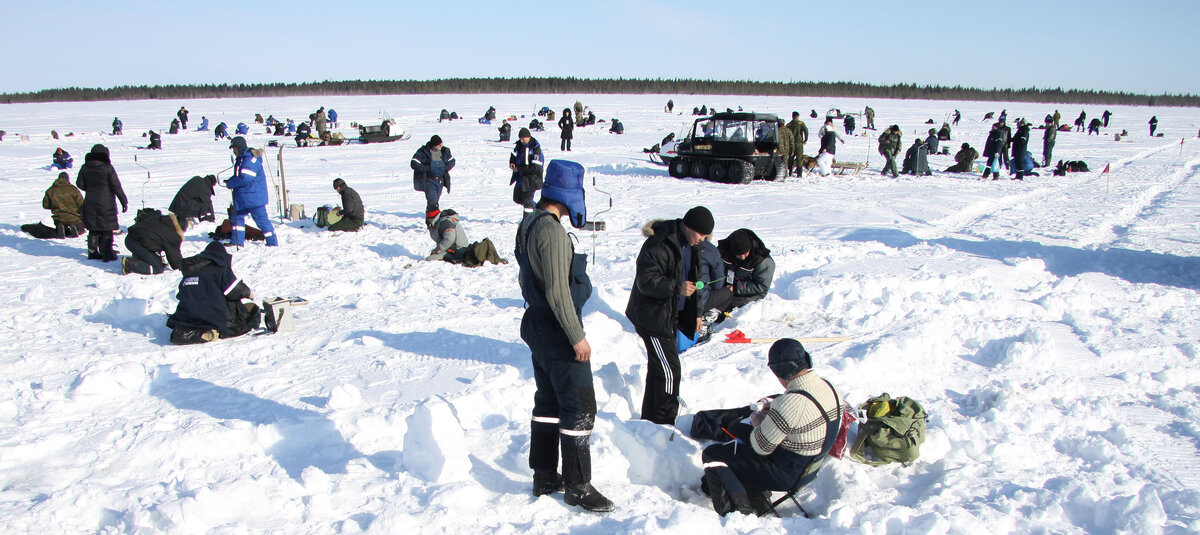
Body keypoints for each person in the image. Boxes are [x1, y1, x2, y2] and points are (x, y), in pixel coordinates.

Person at [515, 159, 614, 513]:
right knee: (580, 407)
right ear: (571, 193)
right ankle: (578, 486)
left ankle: (544, 475)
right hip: (557, 328)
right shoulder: (552, 232)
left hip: (537, 323)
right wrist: (576, 336)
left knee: (549, 403)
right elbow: (558, 290)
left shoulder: (528, 222)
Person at [698, 338, 841, 516]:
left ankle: (736, 511)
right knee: (740, 435)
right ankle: (751, 492)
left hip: (787, 475)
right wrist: (774, 414)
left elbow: (761, 447)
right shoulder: (829, 386)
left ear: (780, 371)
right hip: (810, 468)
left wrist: (758, 422)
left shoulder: (791, 403)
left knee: (713, 453)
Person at [626, 205, 715, 426]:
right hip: (652, 317)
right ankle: (665, 422)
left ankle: (649, 422)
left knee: (660, 369)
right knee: (670, 371)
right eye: (701, 234)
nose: (703, 239)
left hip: (670, 316)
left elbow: (693, 282)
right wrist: (676, 287)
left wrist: (694, 313)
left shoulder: (693, 246)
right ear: (688, 226)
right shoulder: (658, 245)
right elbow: (646, 281)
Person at [165, 241, 260, 344]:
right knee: (253, 309)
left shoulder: (188, 274)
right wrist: (248, 292)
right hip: (218, 320)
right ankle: (214, 330)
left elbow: (182, 295)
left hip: (189, 318)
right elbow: (234, 290)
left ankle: (199, 333)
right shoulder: (220, 270)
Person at [704, 228, 774, 316]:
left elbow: (761, 286)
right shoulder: (723, 251)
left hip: (748, 294)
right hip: (727, 287)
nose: (743, 257)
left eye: (746, 253)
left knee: (726, 308)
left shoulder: (763, 261)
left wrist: (736, 287)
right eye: (739, 254)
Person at [223, 136, 278, 246]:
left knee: (261, 221)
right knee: (236, 218)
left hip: (254, 198)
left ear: (239, 147)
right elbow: (241, 176)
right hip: (244, 197)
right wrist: (231, 180)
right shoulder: (242, 158)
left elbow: (246, 178)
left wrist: (232, 183)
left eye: (234, 148)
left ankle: (272, 242)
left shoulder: (251, 160)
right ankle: (237, 241)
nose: (233, 150)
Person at [76, 144, 127, 261]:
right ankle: (107, 253)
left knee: (93, 228)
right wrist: (123, 200)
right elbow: (116, 186)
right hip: (106, 202)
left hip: (90, 202)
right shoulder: (108, 168)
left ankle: (92, 252)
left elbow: (79, 184)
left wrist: (91, 189)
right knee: (107, 227)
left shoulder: (85, 167)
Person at [121, 208, 184, 275]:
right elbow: (174, 258)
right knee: (157, 268)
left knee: (159, 262)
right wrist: (182, 267)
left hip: (133, 238)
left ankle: (138, 259)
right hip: (135, 243)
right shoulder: (172, 235)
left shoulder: (162, 218)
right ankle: (129, 264)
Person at [411, 135, 455, 213]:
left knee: (436, 201)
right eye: (439, 145)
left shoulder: (444, 151)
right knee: (432, 202)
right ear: (434, 145)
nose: (441, 146)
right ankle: (430, 221)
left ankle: (433, 218)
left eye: (441, 144)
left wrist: (446, 167)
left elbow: (452, 161)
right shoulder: (424, 151)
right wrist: (425, 168)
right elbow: (414, 163)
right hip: (429, 181)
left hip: (440, 181)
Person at [510, 127, 544, 214]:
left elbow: (536, 168)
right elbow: (513, 155)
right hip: (521, 177)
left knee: (527, 201)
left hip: (532, 178)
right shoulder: (519, 146)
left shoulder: (535, 149)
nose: (521, 141)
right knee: (517, 198)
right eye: (520, 139)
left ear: (528, 137)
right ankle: (539, 210)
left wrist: (519, 168)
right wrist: (512, 163)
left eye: (523, 139)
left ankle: (527, 220)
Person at [42, 171, 85, 238]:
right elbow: (81, 203)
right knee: (82, 228)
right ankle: (74, 227)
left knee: (60, 222)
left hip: (58, 217)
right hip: (73, 217)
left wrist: (54, 206)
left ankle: (61, 226)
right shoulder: (73, 189)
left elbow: (45, 205)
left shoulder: (51, 190)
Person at [785, 112, 809, 177]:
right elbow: (806, 130)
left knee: (790, 158)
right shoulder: (801, 123)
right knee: (799, 158)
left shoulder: (789, 124)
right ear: (798, 116)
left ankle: (789, 172)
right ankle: (799, 174)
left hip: (791, 144)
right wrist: (806, 139)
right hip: (799, 143)